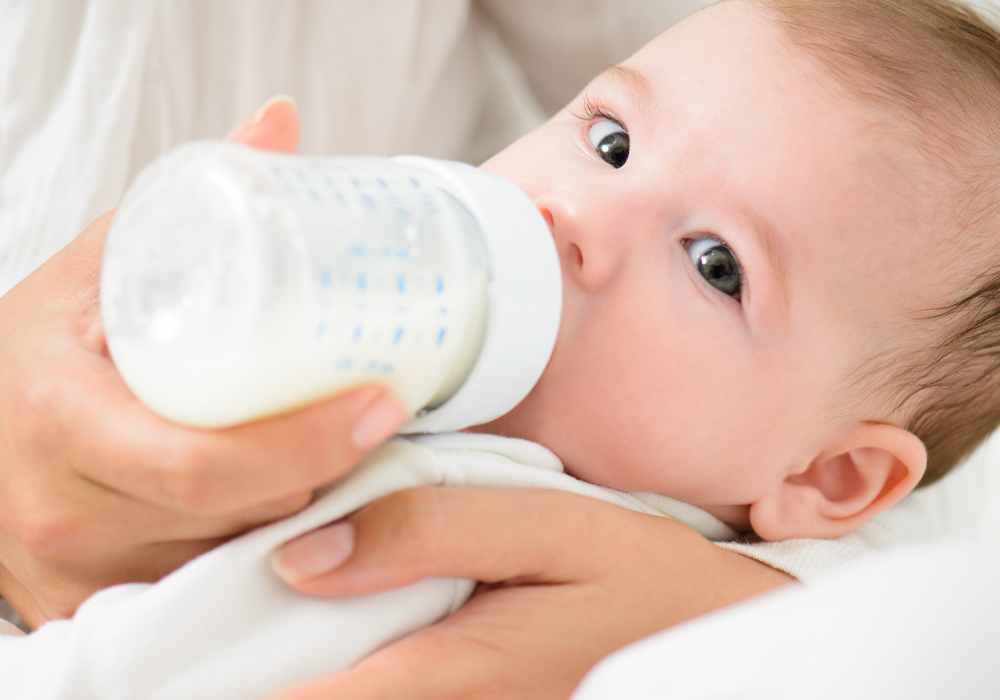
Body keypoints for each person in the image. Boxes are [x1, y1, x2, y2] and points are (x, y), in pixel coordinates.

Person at [1, 0, 997, 697]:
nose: (574, 217)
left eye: (713, 263)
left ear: (833, 477)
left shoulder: (476, 523)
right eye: (609, 140)